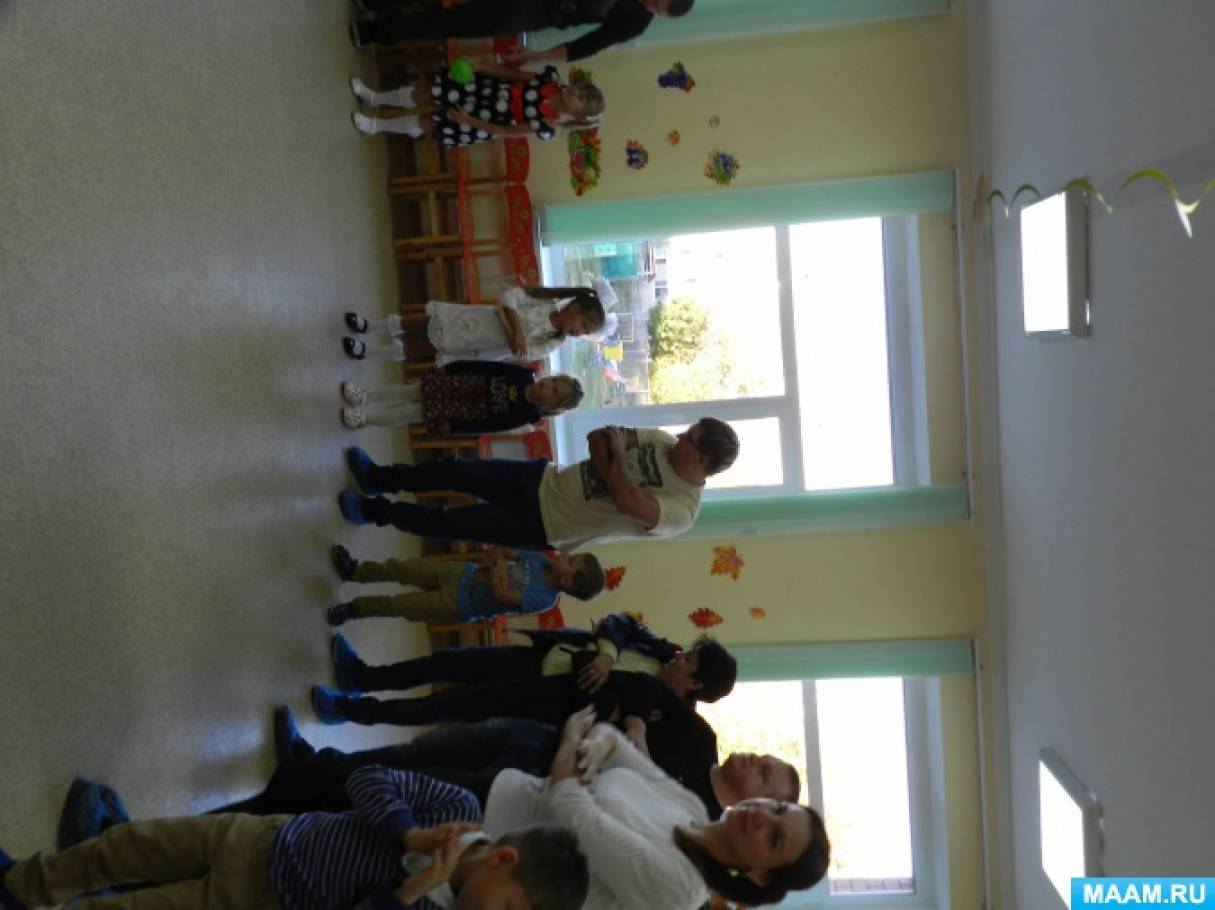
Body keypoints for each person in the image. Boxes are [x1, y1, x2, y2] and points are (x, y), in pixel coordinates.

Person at [0, 766, 591, 910]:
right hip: (260, 838)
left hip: (256, 900)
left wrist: (406, 893)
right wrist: (408, 832)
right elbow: (366, 779)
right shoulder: (458, 809)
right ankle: (21, 885)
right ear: (503, 859)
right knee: (125, 847)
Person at [211, 704, 799, 824]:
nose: (756, 759)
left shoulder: (692, 820)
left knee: (404, 785)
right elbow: (632, 702)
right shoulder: (700, 735)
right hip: (537, 735)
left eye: (766, 772)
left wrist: (632, 749)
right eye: (767, 758)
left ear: (754, 800)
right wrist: (635, 726)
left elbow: (605, 801)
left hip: (519, 789)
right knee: (413, 753)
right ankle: (314, 760)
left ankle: (299, 792)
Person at [486, 708, 830, 910]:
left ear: (760, 876)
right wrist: (596, 745)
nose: (762, 817)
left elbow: (567, 809)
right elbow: (614, 742)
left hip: (490, 851)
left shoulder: (682, 888)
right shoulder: (692, 808)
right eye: (777, 809)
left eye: (774, 838)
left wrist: (572, 738)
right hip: (505, 785)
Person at [337, 416, 740, 549]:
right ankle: (378, 477)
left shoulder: (682, 511)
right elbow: (599, 437)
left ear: (702, 461)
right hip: (541, 476)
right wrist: (616, 471)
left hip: (546, 525)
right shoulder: (663, 440)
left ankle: (375, 511)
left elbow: (626, 502)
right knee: (457, 470)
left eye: (690, 439)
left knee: (452, 523)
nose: (680, 436)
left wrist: (617, 460)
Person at [324, 544, 605, 625]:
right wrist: (500, 566)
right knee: (404, 568)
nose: (565, 555)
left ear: (567, 580)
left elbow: (499, 592)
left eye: (571, 561)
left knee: (399, 605)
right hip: (462, 573)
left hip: (460, 603)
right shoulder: (542, 560)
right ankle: (355, 571)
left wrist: (499, 566)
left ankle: (354, 610)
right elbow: (499, 551)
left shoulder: (544, 599)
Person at [350, 0, 695, 65]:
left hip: (536, 11)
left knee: (455, 23)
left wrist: (537, 55)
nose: (649, 4)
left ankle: (377, 31)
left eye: (655, 8)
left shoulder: (635, 22)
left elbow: (587, 45)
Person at [341, 285, 607, 365]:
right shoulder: (544, 300)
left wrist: (505, 320)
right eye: (583, 323)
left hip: (480, 344)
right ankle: (370, 326)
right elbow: (508, 297)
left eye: (586, 332)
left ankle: (369, 352)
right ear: (574, 307)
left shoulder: (554, 341)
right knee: (423, 322)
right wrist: (515, 328)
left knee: (425, 347)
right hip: (476, 319)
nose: (581, 332)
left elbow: (523, 353)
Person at [347, 63, 603, 145]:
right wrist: (481, 67)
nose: (575, 92)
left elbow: (503, 131)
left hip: (483, 121)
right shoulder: (550, 80)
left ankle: (375, 125)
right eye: (579, 89)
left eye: (580, 98)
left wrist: (468, 120)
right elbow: (511, 75)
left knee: (429, 122)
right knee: (426, 93)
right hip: (484, 89)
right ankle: (374, 97)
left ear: (578, 116)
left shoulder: (547, 126)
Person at [337, 363, 583, 433]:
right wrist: (452, 367)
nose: (548, 385)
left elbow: (489, 426)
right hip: (457, 384)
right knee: (409, 391)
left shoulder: (525, 415)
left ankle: (364, 420)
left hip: (460, 411)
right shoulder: (522, 374)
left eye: (554, 391)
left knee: (408, 413)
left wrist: (454, 427)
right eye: (553, 380)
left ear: (553, 405)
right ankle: (365, 396)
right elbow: (485, 367)